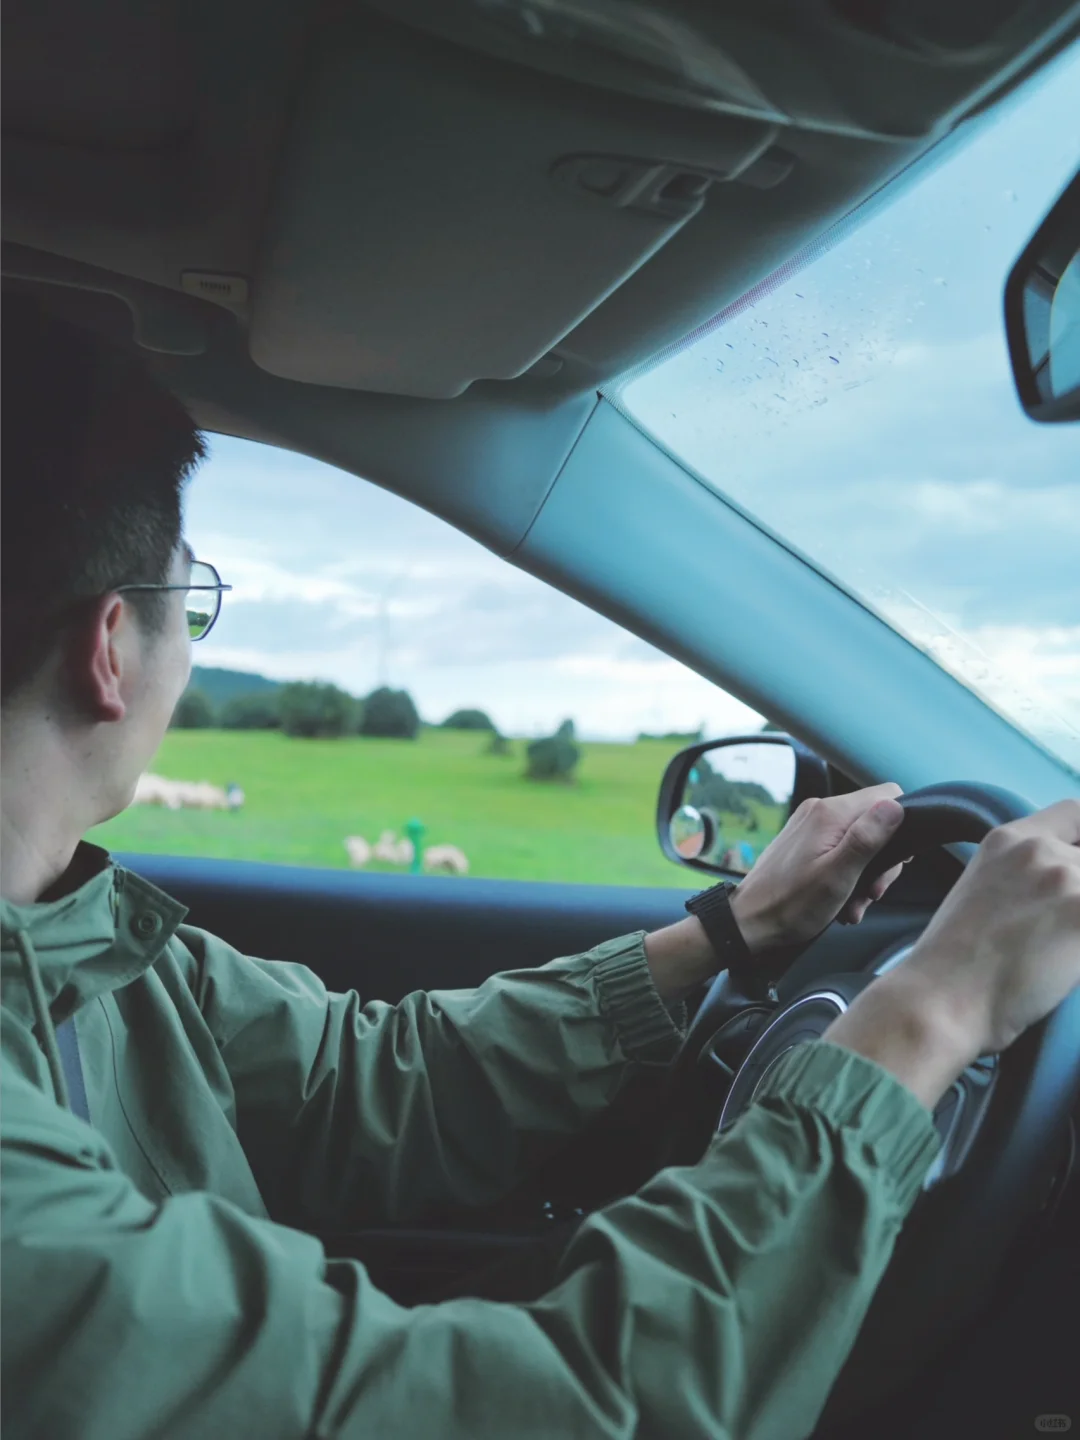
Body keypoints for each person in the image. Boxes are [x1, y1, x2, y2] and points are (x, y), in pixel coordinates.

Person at [2, 298, 1079, 1440]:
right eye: (191, 602)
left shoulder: (84, 939)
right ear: (113, 649)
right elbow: (567, 1409)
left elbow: (363, 1091)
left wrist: (727, 934)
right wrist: (929, 1014)